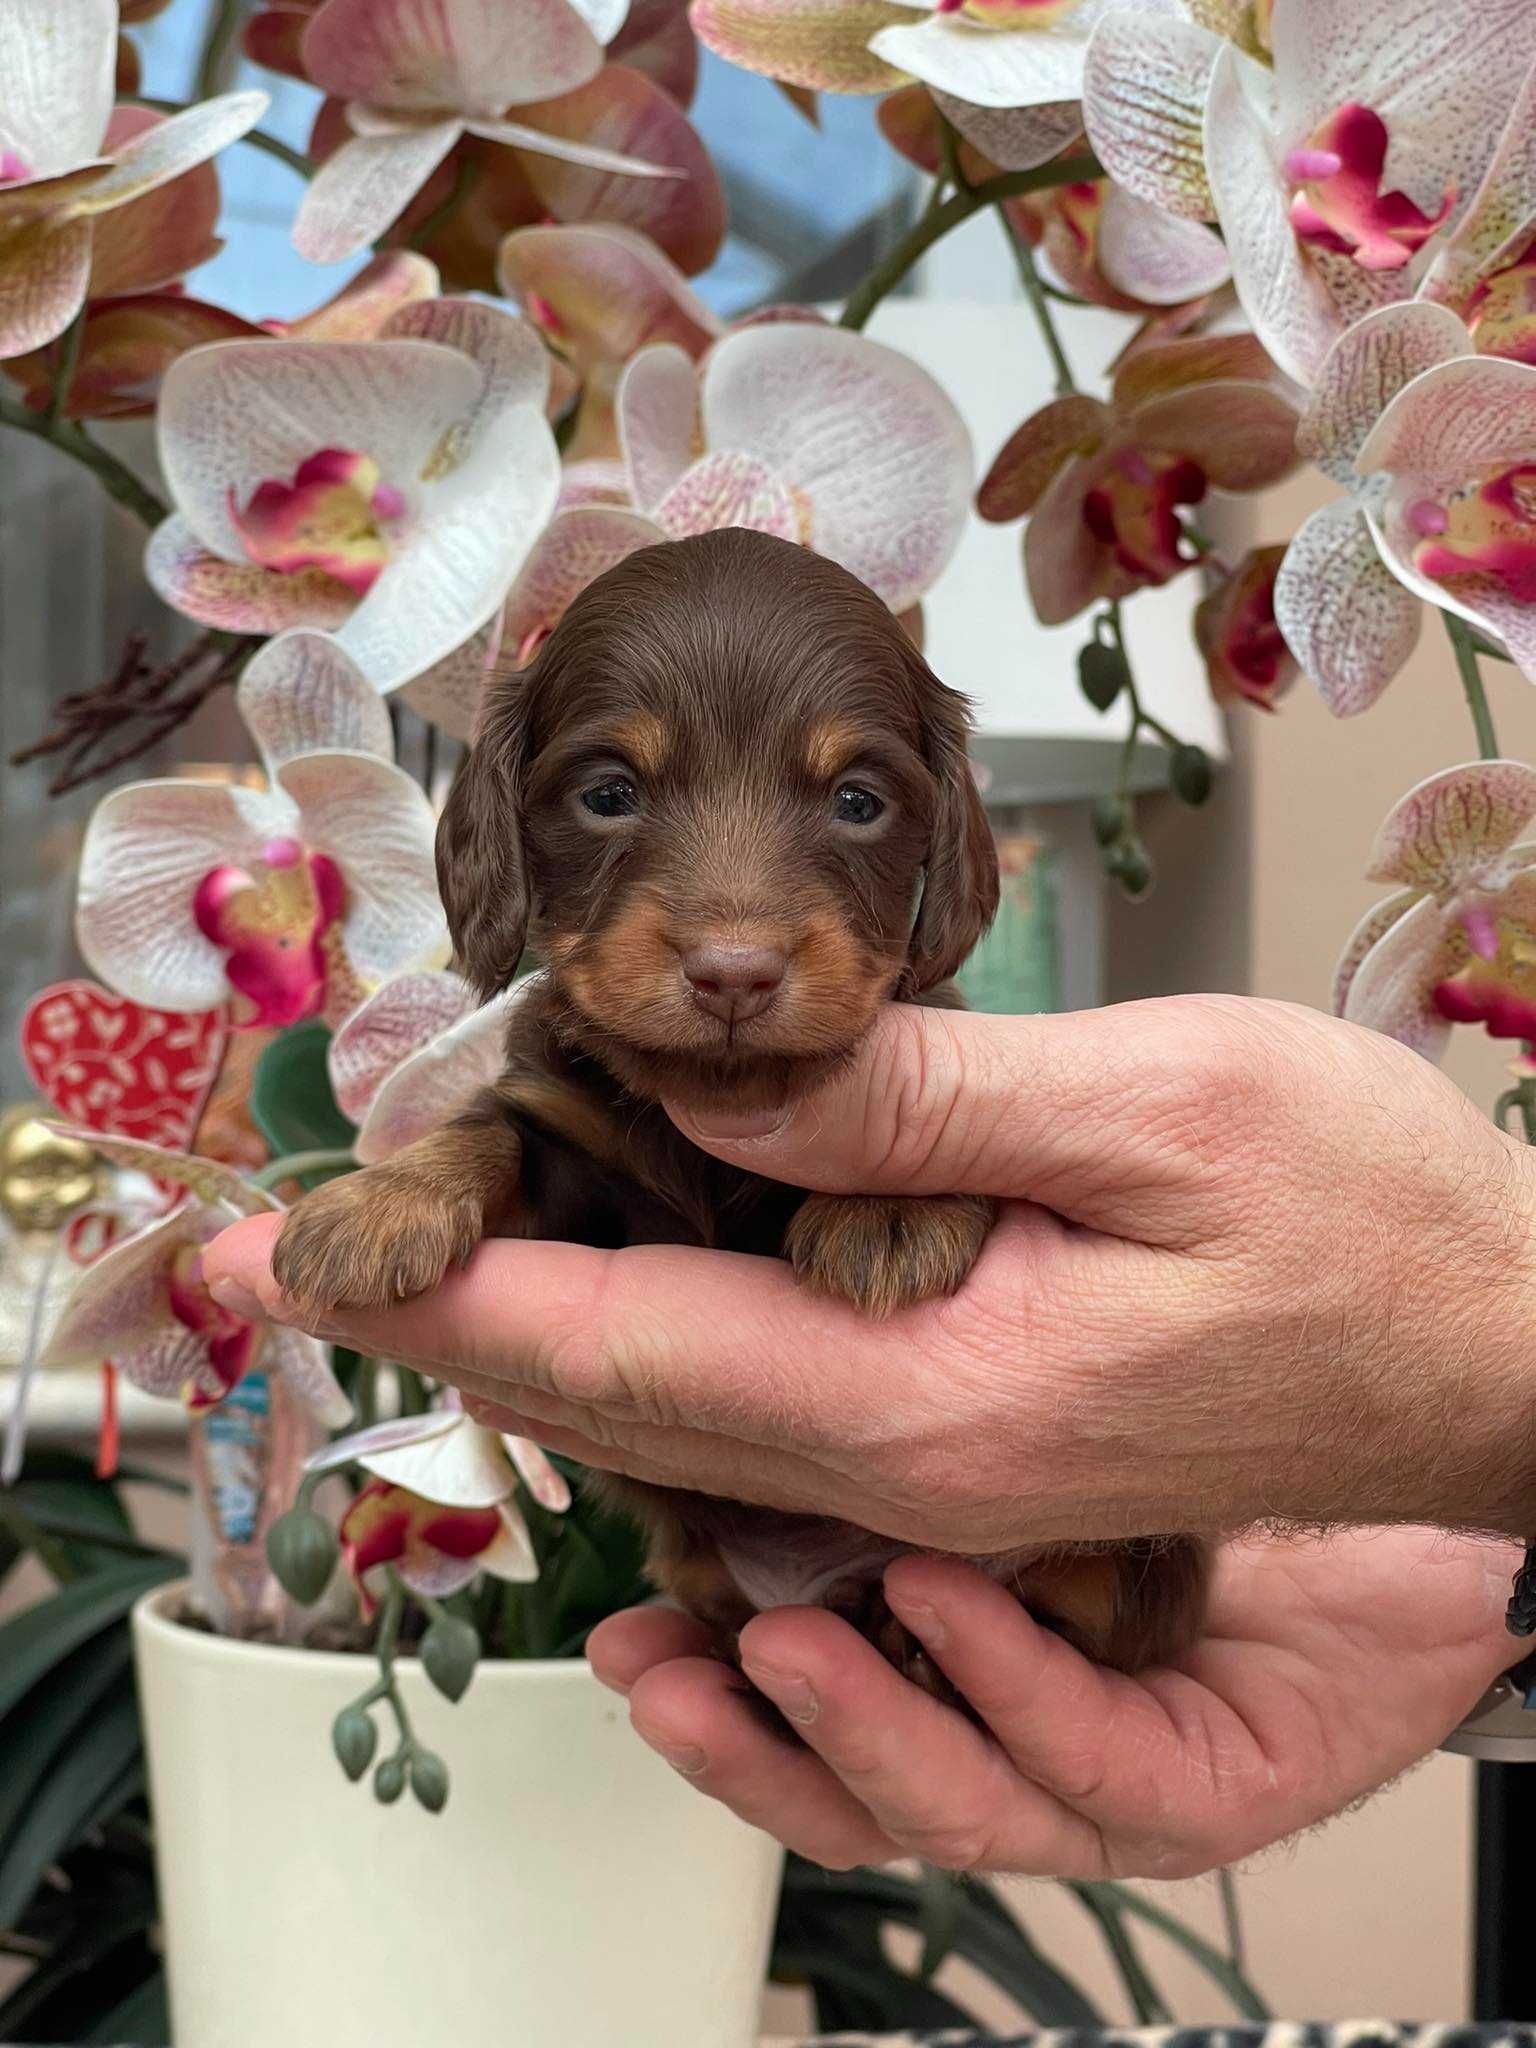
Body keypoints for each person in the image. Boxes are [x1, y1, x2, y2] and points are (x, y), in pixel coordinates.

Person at [206, 993, 1534, 1876]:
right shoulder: (553, 1061)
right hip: (745, 1579)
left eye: (851, 805)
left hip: (1055, 1577)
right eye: (607, 796)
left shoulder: (913, 1046)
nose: (734, 933)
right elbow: (523, 1143)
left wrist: (1476, 1377)